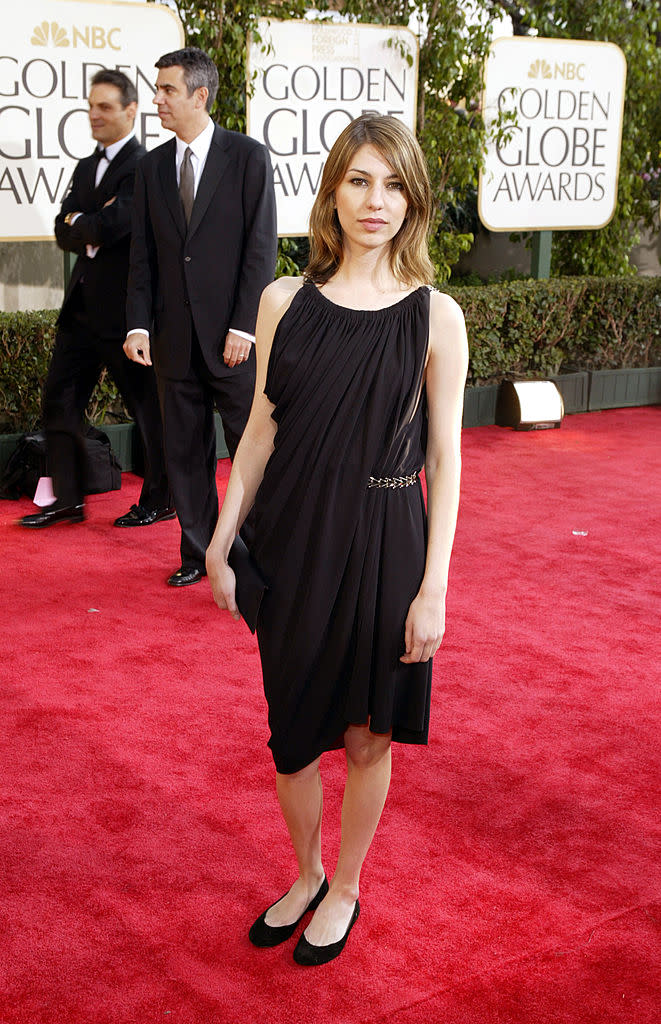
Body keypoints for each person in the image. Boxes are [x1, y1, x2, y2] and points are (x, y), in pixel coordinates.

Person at [206, 114, 469, 966]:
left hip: (389, 540)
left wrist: (433, 588)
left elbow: (445, 456)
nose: (375, 200)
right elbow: (258, 432)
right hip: (291, 540)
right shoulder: (284, 299)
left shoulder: (436, 317)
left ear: (413, 200)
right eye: (358, 180)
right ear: (332, 191)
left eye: (392, 184)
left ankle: (347, 885)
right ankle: (306, 871)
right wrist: (220, 539)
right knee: (290, 735)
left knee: (366, 735)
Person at [124, 47, 277, 587]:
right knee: (185, 453)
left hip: (232, 341)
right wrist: (137, 324)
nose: (157, 99)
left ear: (200, 96)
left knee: (251, 449)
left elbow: (260, 250)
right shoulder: (149, 169)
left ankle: (257, 552)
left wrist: (244, 327)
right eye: (157, 88)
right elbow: (143, 255)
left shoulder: (248, 158)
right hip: (171, 341)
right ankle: (198, 553)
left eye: (167, 90)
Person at [20, 70, 172, 530]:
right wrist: (88, 222)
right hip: (81, 312)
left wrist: (86, 222)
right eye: (91, 106)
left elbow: (112, 226)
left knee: (147, 410)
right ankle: (68, 498)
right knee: (58, 401)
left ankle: (159, 499)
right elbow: (62, 230)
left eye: (105, 107)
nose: (94, 115)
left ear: (130, 110)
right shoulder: (88, 166)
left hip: (126, 315)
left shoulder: (143, 166)